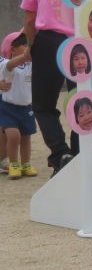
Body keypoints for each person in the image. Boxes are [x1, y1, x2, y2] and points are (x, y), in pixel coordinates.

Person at [21, 0, 77, 175]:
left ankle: (61, 153)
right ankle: (78, 155)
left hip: (48, 41)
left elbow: (29, 18)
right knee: (81, 103)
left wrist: (30, 46)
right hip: (80, 43)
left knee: (43, 105)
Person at [0, 32, 37, 179]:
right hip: (8, 108)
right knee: (13, 135)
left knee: (26, 137)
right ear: (12, 50)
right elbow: (10, 64)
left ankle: (26, 163)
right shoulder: (7, 65)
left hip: (26, 108)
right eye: (24, 45)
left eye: (28, 45)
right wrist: (24, 56)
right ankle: (14, 164)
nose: (27, 47)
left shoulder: (30, 66)